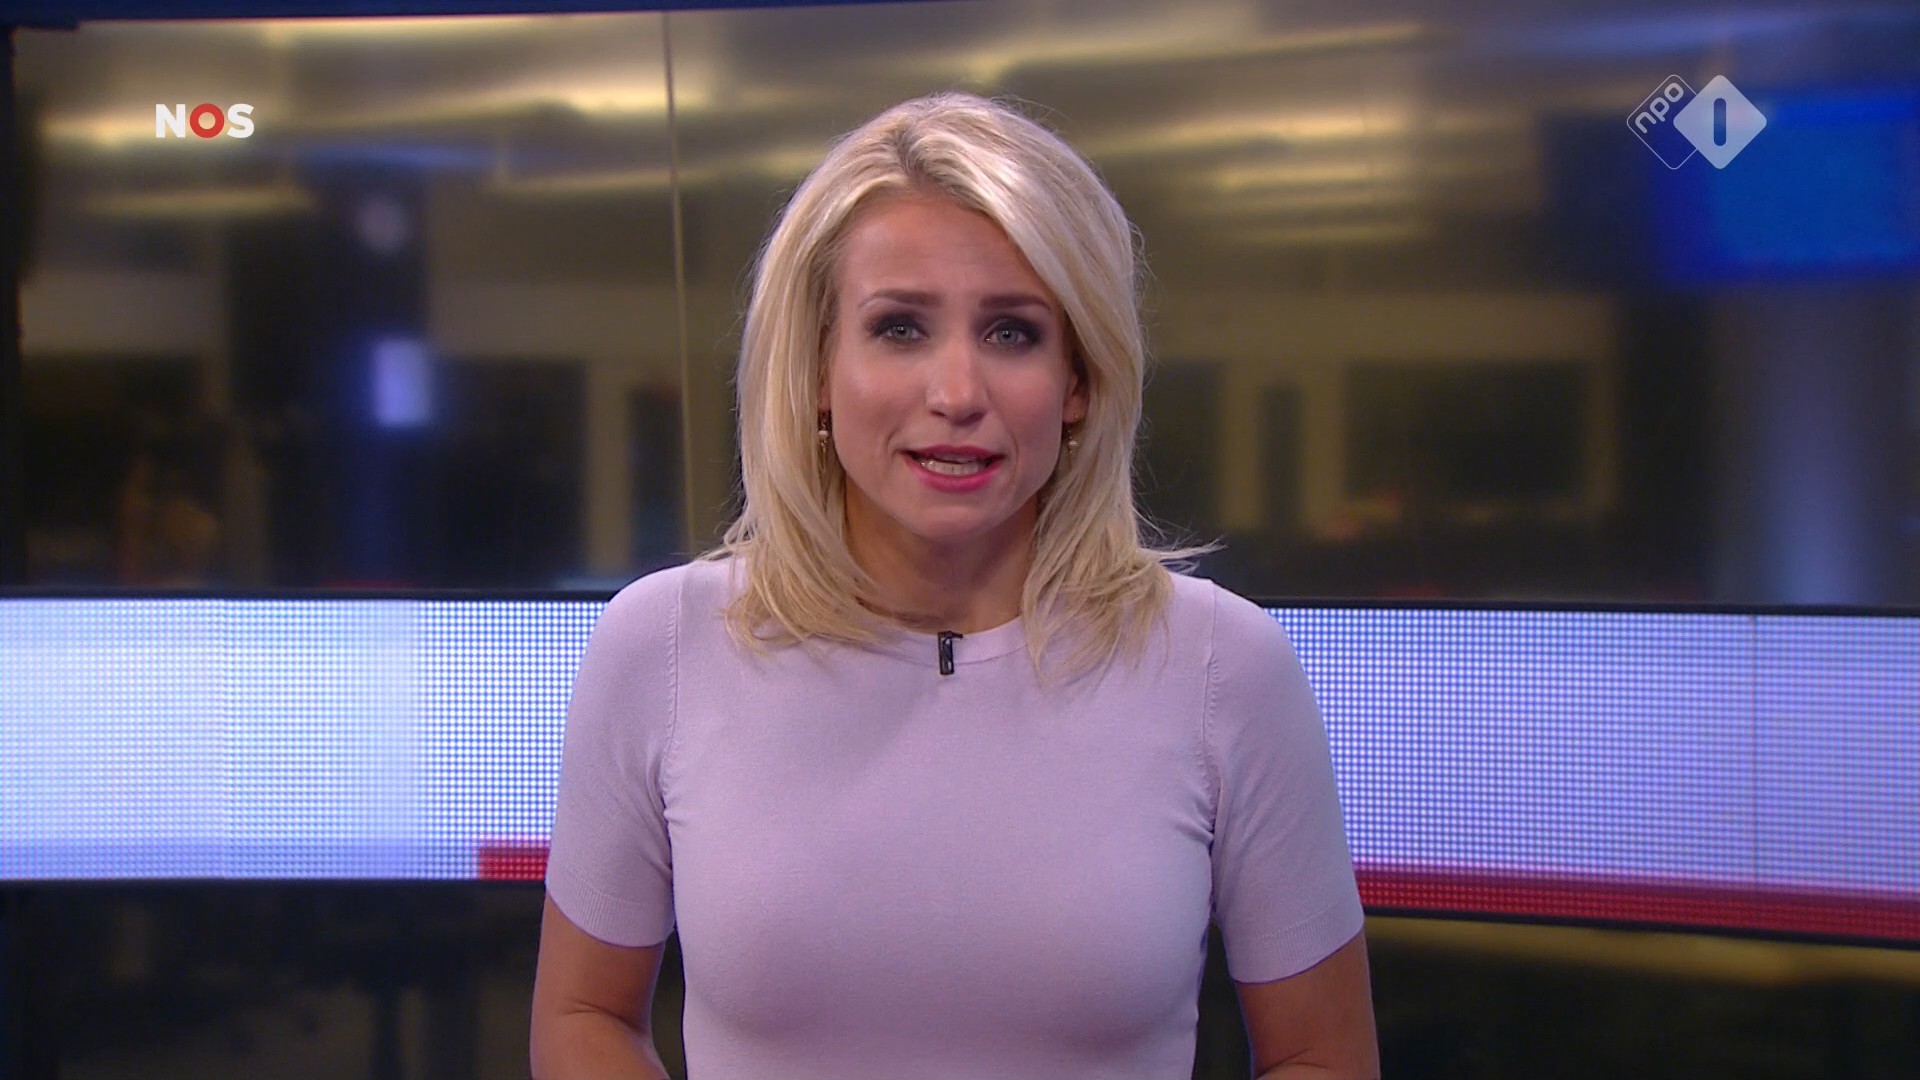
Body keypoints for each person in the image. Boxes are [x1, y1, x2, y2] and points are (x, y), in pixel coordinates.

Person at [530, 91, 1379, 1080]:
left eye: (1012, 333)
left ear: (1078, 381)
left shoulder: (1223, 667)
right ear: (816, 369)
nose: (958, 393)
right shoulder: (664, 645)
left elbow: (1322, 1055)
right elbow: (582, 1014)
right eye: (900, 328)